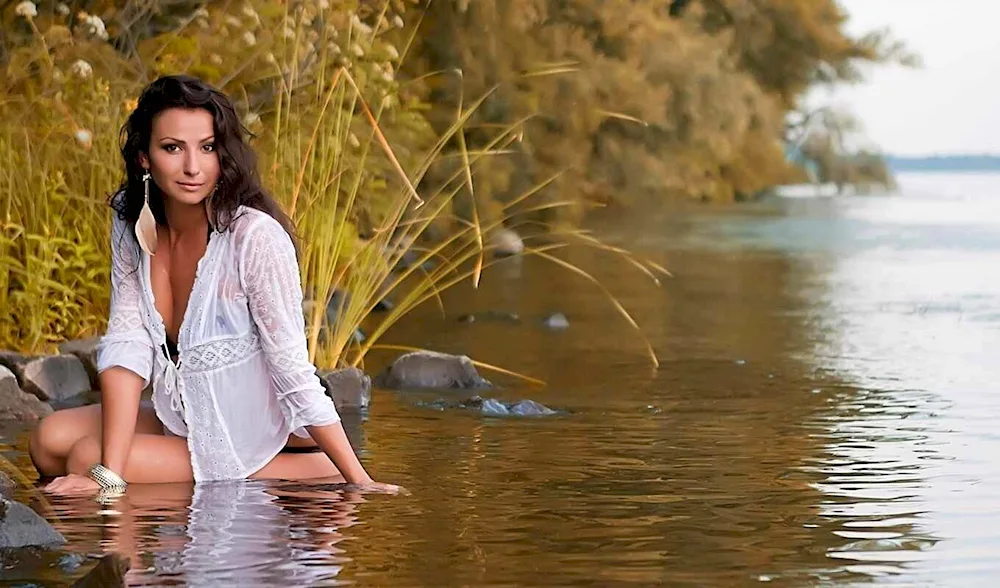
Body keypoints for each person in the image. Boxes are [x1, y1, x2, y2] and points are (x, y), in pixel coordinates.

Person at [29, 74, 399, 496]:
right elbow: (127, 340)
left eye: (207, 148)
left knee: (84, 459)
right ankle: (160, 472)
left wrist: (360, 481)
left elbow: (292, 368)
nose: (192, 167)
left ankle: (301, 469)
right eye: (172, 148)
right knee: (48, 442)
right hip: (187, 412)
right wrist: (111, 470)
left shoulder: (254, 238)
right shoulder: (131, 219)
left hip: (248, 427)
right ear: (144, 158)